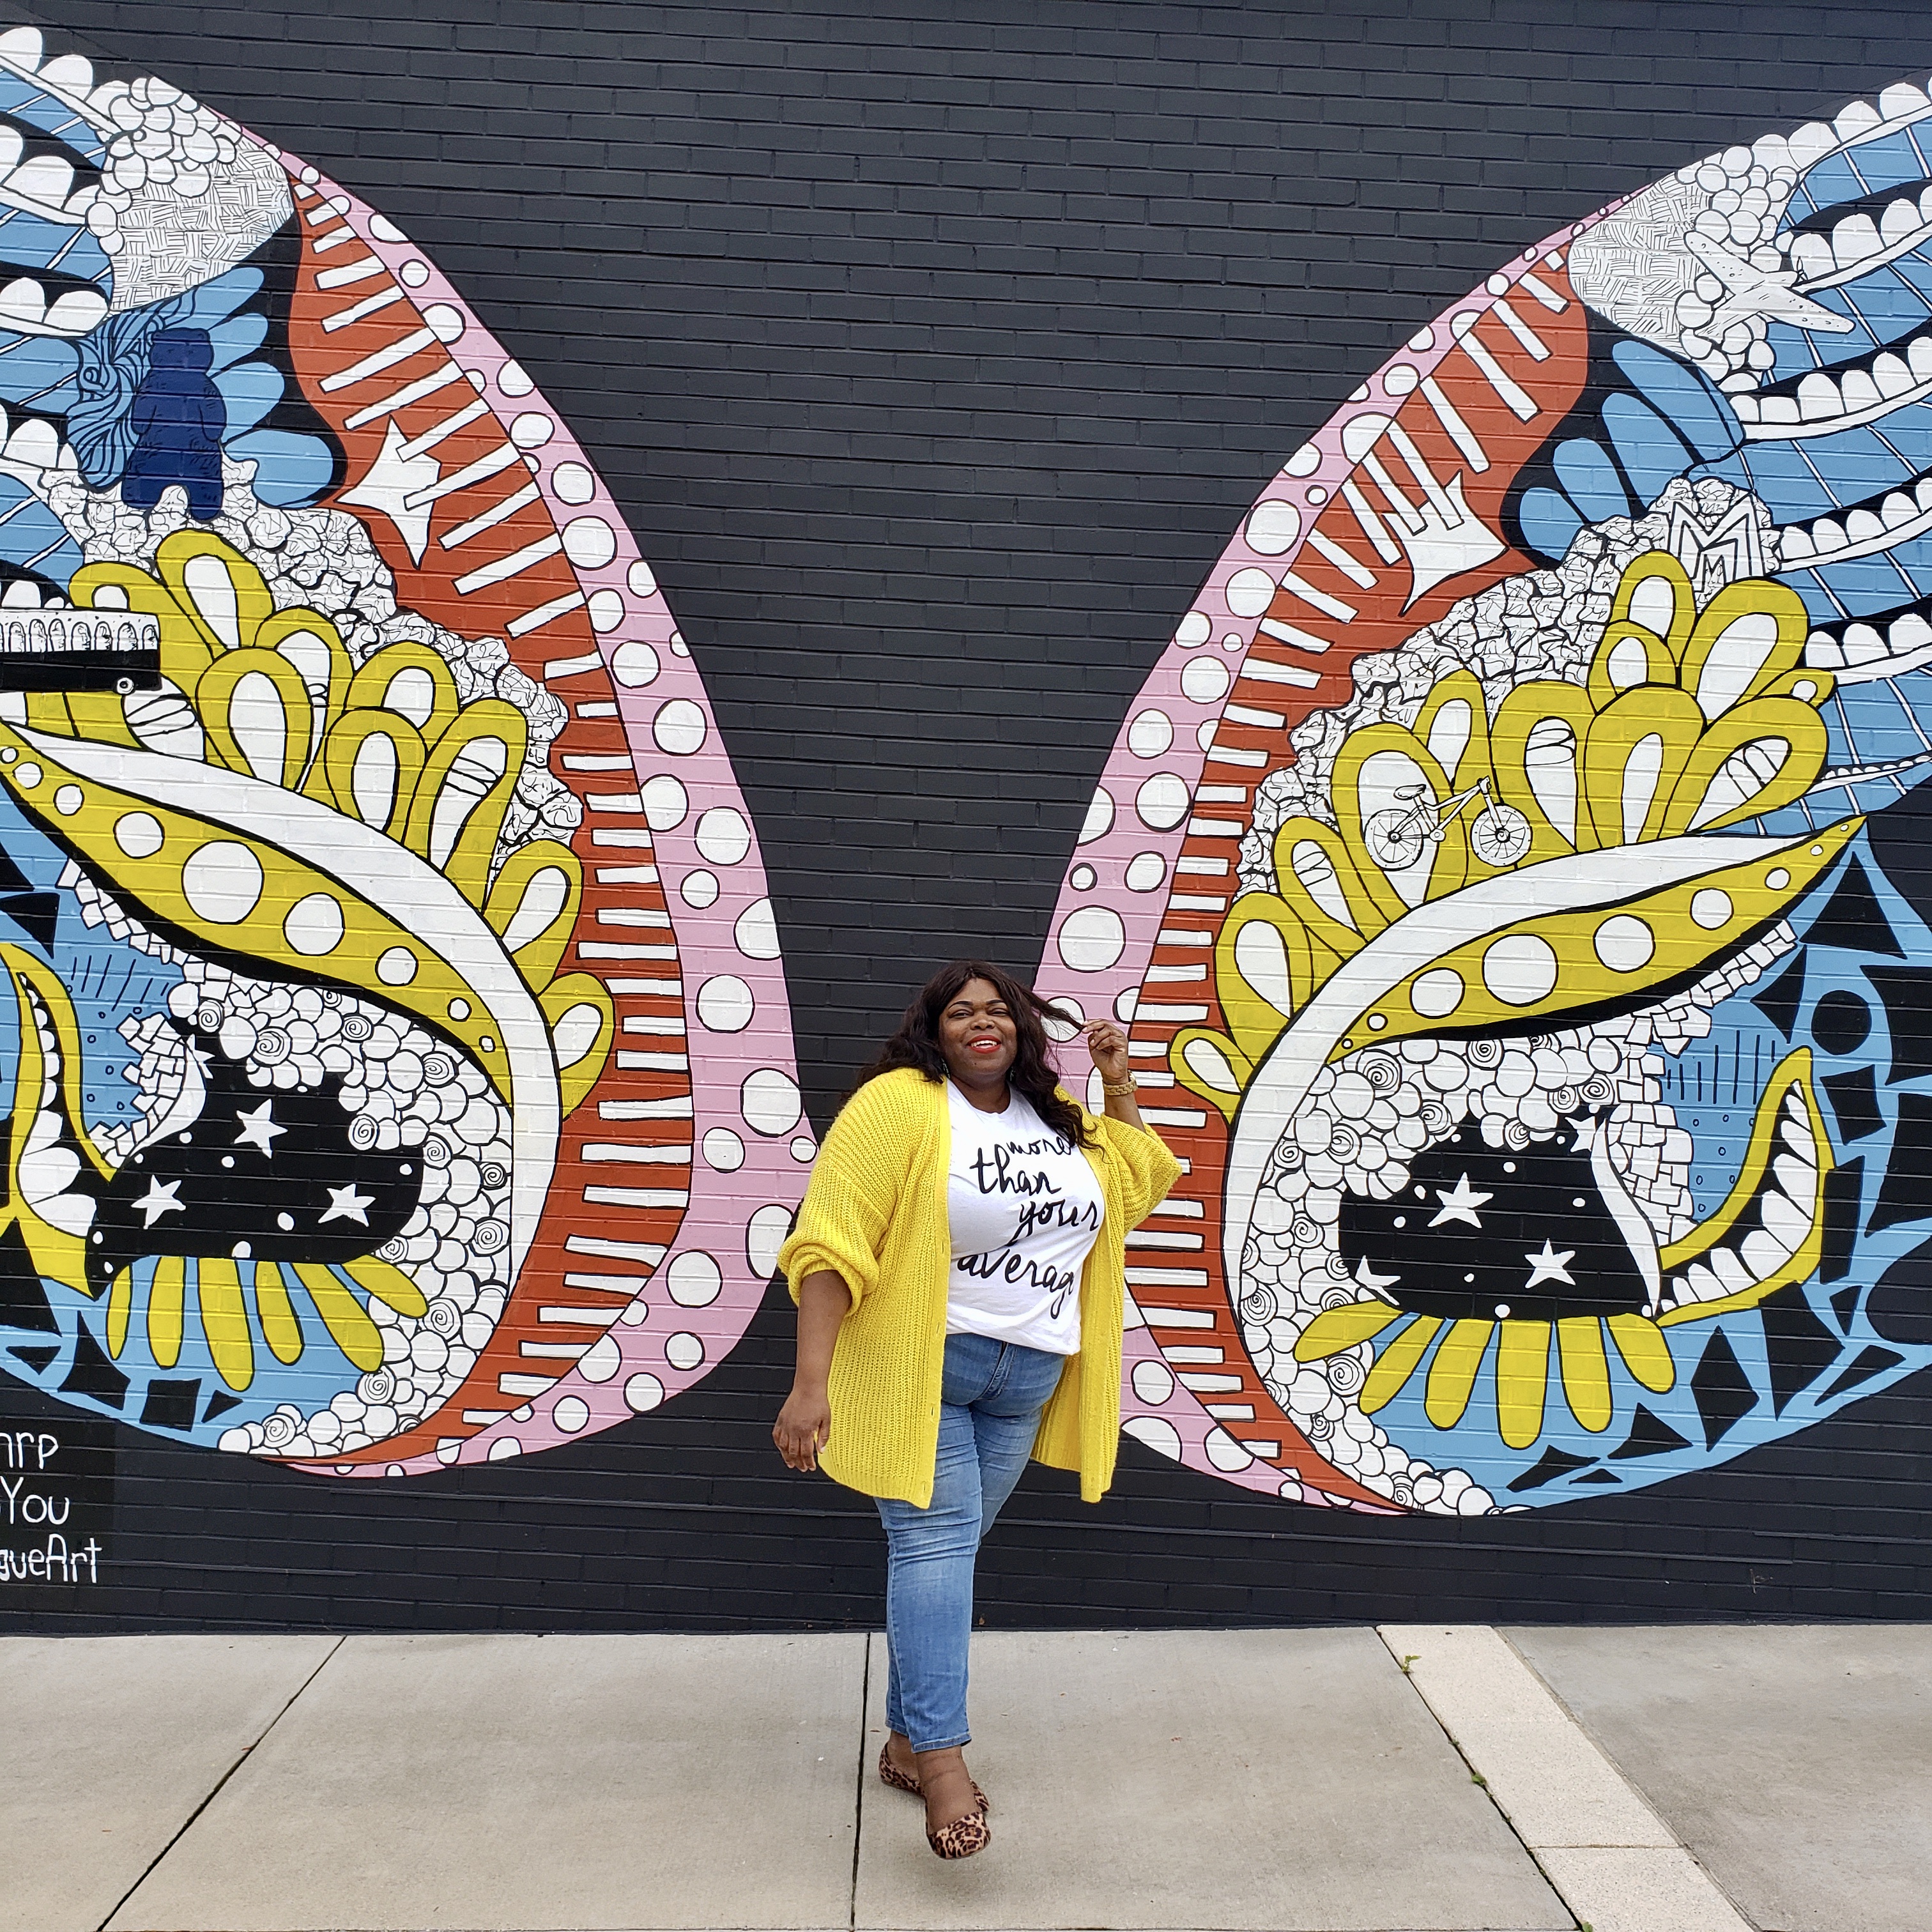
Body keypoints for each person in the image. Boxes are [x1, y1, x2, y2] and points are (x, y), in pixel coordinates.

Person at [774, 960, 1180, 1860]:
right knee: (935, 1548)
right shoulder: (896, 1107)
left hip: (1026, 1382)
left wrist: (1118, 1083)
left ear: (1024, 1031)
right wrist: (811, 1385)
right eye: (961, 1012)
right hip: (927, 1370)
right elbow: (830, 1243)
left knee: (945, 1555)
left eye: (999, 1010)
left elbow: (1139, 1185)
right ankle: (944, 1763)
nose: (982, 1023)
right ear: (935, 1030)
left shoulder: (1057, 1116)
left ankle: (903, 1742)